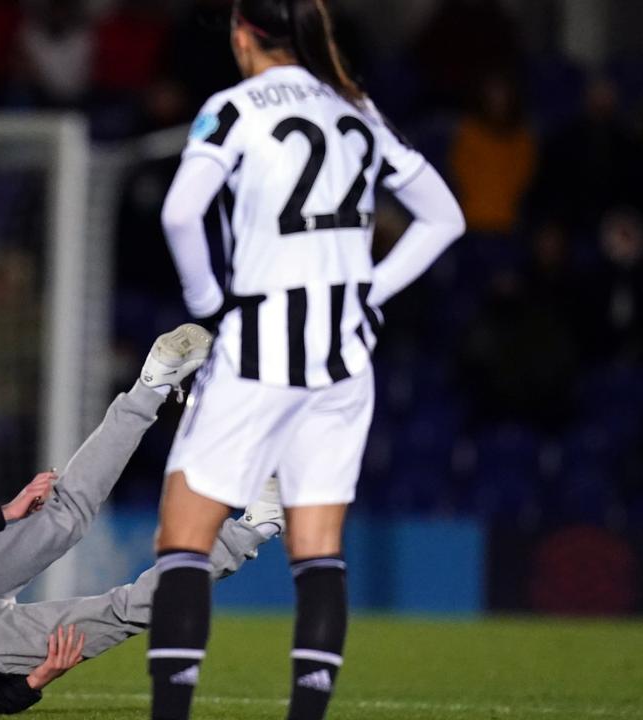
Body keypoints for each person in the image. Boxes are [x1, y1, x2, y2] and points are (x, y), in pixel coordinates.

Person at [148, 2, 466, 719]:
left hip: (261, 343)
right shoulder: (354, 108)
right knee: (317, 551)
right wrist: (370, 290)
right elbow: (444, 216)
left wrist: (206, 300)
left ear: (241, 35)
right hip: (345, 354)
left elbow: (178, 212)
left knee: (182, 540)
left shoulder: (231, 109)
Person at [0, 325, 284, 714]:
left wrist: (31, 684)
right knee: (65, 511)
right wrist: (1, 513)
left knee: (123, 612)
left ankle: (255, 525)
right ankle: (152, 384)